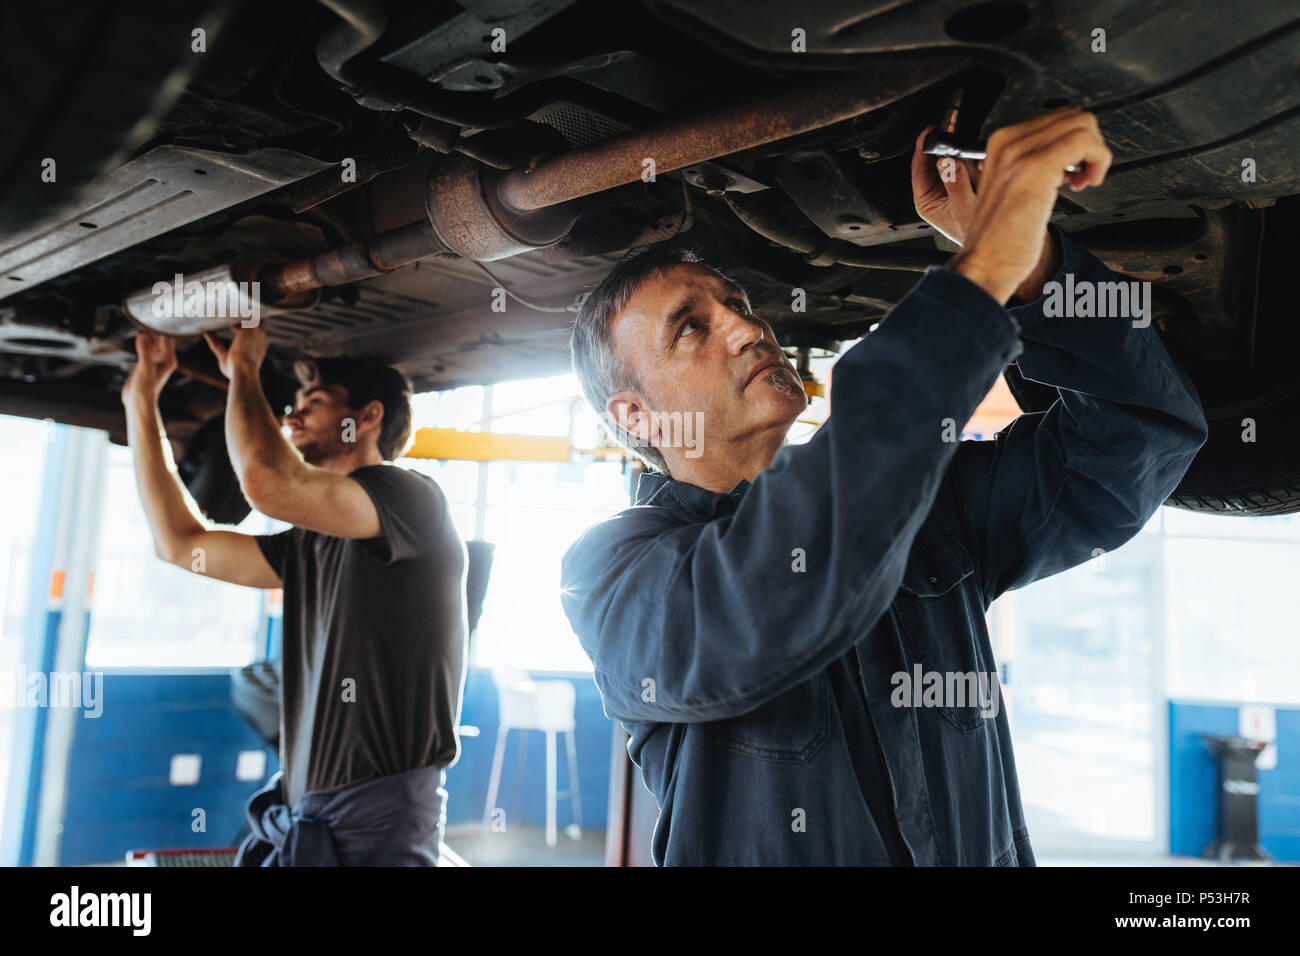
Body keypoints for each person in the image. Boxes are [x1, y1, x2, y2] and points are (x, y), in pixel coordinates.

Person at [560, 108, 1209, 865]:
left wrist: (1038, 279)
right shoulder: (612, 574)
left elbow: (1141, 433)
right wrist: (983, 269)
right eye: (691, 327)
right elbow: (779, 589)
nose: (747, 327)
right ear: (636, 415)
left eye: (736, 302)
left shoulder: (927, 508)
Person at [121, 323, 467, 866]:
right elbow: (179, 543)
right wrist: (140, 397)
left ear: (368, 417)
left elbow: (265, 481)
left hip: (378, 832)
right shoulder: (310, 542)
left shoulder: (411, 498)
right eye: (297, 403)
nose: (293, 415)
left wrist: (244, 369)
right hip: (312, 816)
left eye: (316, 402)